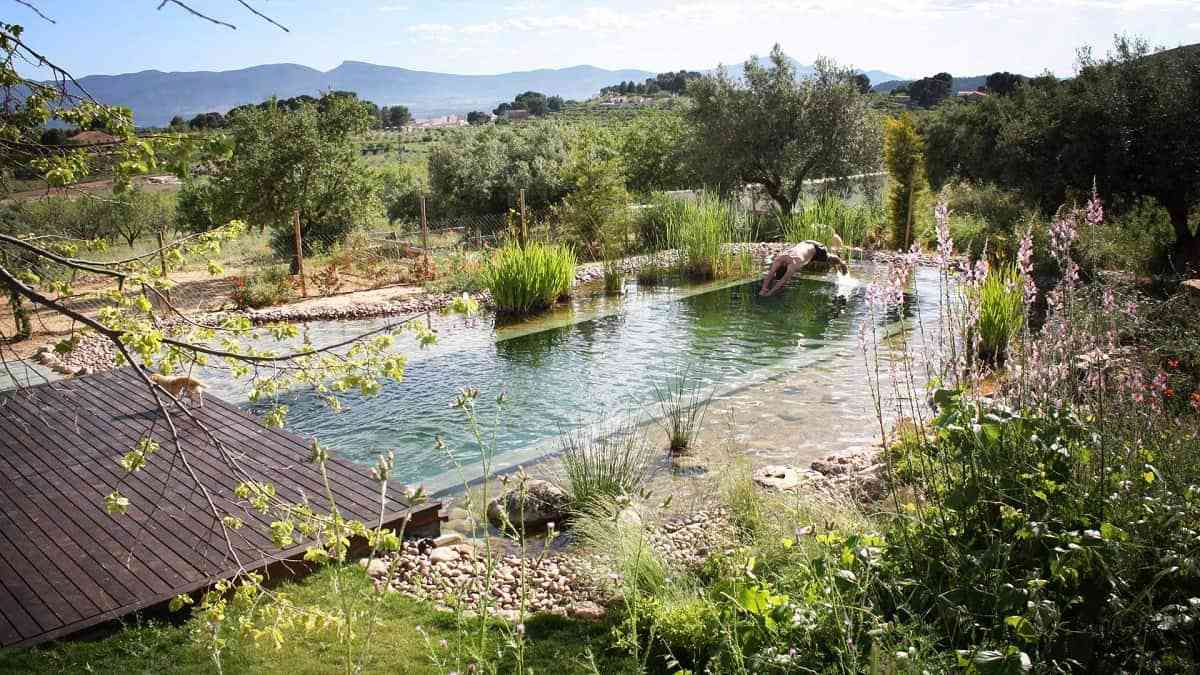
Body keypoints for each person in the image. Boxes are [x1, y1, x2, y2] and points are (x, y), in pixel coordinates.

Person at [759, 238, 848, 297]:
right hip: (804, 243)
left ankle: (842, 262)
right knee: (777, 278)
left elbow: (783, 281)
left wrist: (769, 293)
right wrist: (763, 288)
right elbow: (770, 274)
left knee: (828, 258)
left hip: (817, 248)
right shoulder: (779, 258)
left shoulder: (794, 264)